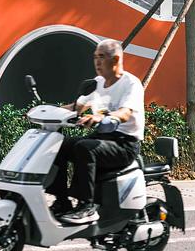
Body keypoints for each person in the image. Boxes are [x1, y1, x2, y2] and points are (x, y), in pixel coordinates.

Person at [45, 39, 145, 225]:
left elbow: (125, 113)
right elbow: (77, 107)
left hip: (124, 144)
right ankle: (62, 202)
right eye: (95, 57)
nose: (97, 62)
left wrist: (101, 117)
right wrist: (47, 111)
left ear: (116, 59)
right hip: (102, 138)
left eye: (101, 57)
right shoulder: (98, 83)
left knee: (85, 148)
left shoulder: (131, 84)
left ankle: (87, 207)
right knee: (59, 143)